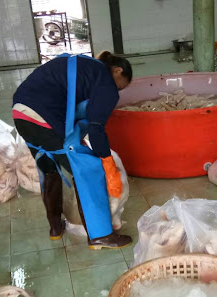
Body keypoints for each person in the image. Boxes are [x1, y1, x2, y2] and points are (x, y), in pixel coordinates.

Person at [13, 52, 132, 250]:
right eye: (121, 86)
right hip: (45, 118)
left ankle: (55, 227)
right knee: (88, 170)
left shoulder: (85, 66)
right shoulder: (106, 81)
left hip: (21, 114)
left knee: (49, 169)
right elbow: (96, 127)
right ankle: (101, 235)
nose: (118, 90)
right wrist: (106, 160)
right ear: (118, 71)